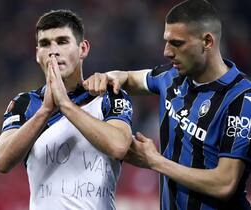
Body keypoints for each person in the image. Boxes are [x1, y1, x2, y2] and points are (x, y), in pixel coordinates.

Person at [83, 0, 251, 209]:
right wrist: (109, 76)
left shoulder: (241, 99)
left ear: (207, 42)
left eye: (177, 43)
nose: (167, 52)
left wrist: (155, 161)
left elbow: (225, 184)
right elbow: (130, 78)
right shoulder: (171, 77)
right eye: (166, 41)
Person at [0, 10, 133, 210]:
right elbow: (1, 161)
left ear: (83, 48)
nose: (53, 51)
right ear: (37, 54)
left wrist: (65, 105)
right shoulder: (26, 103)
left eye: (62, 41)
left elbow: (119, 146)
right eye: (45, 44)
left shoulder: (108, 95)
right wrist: (45, 111)